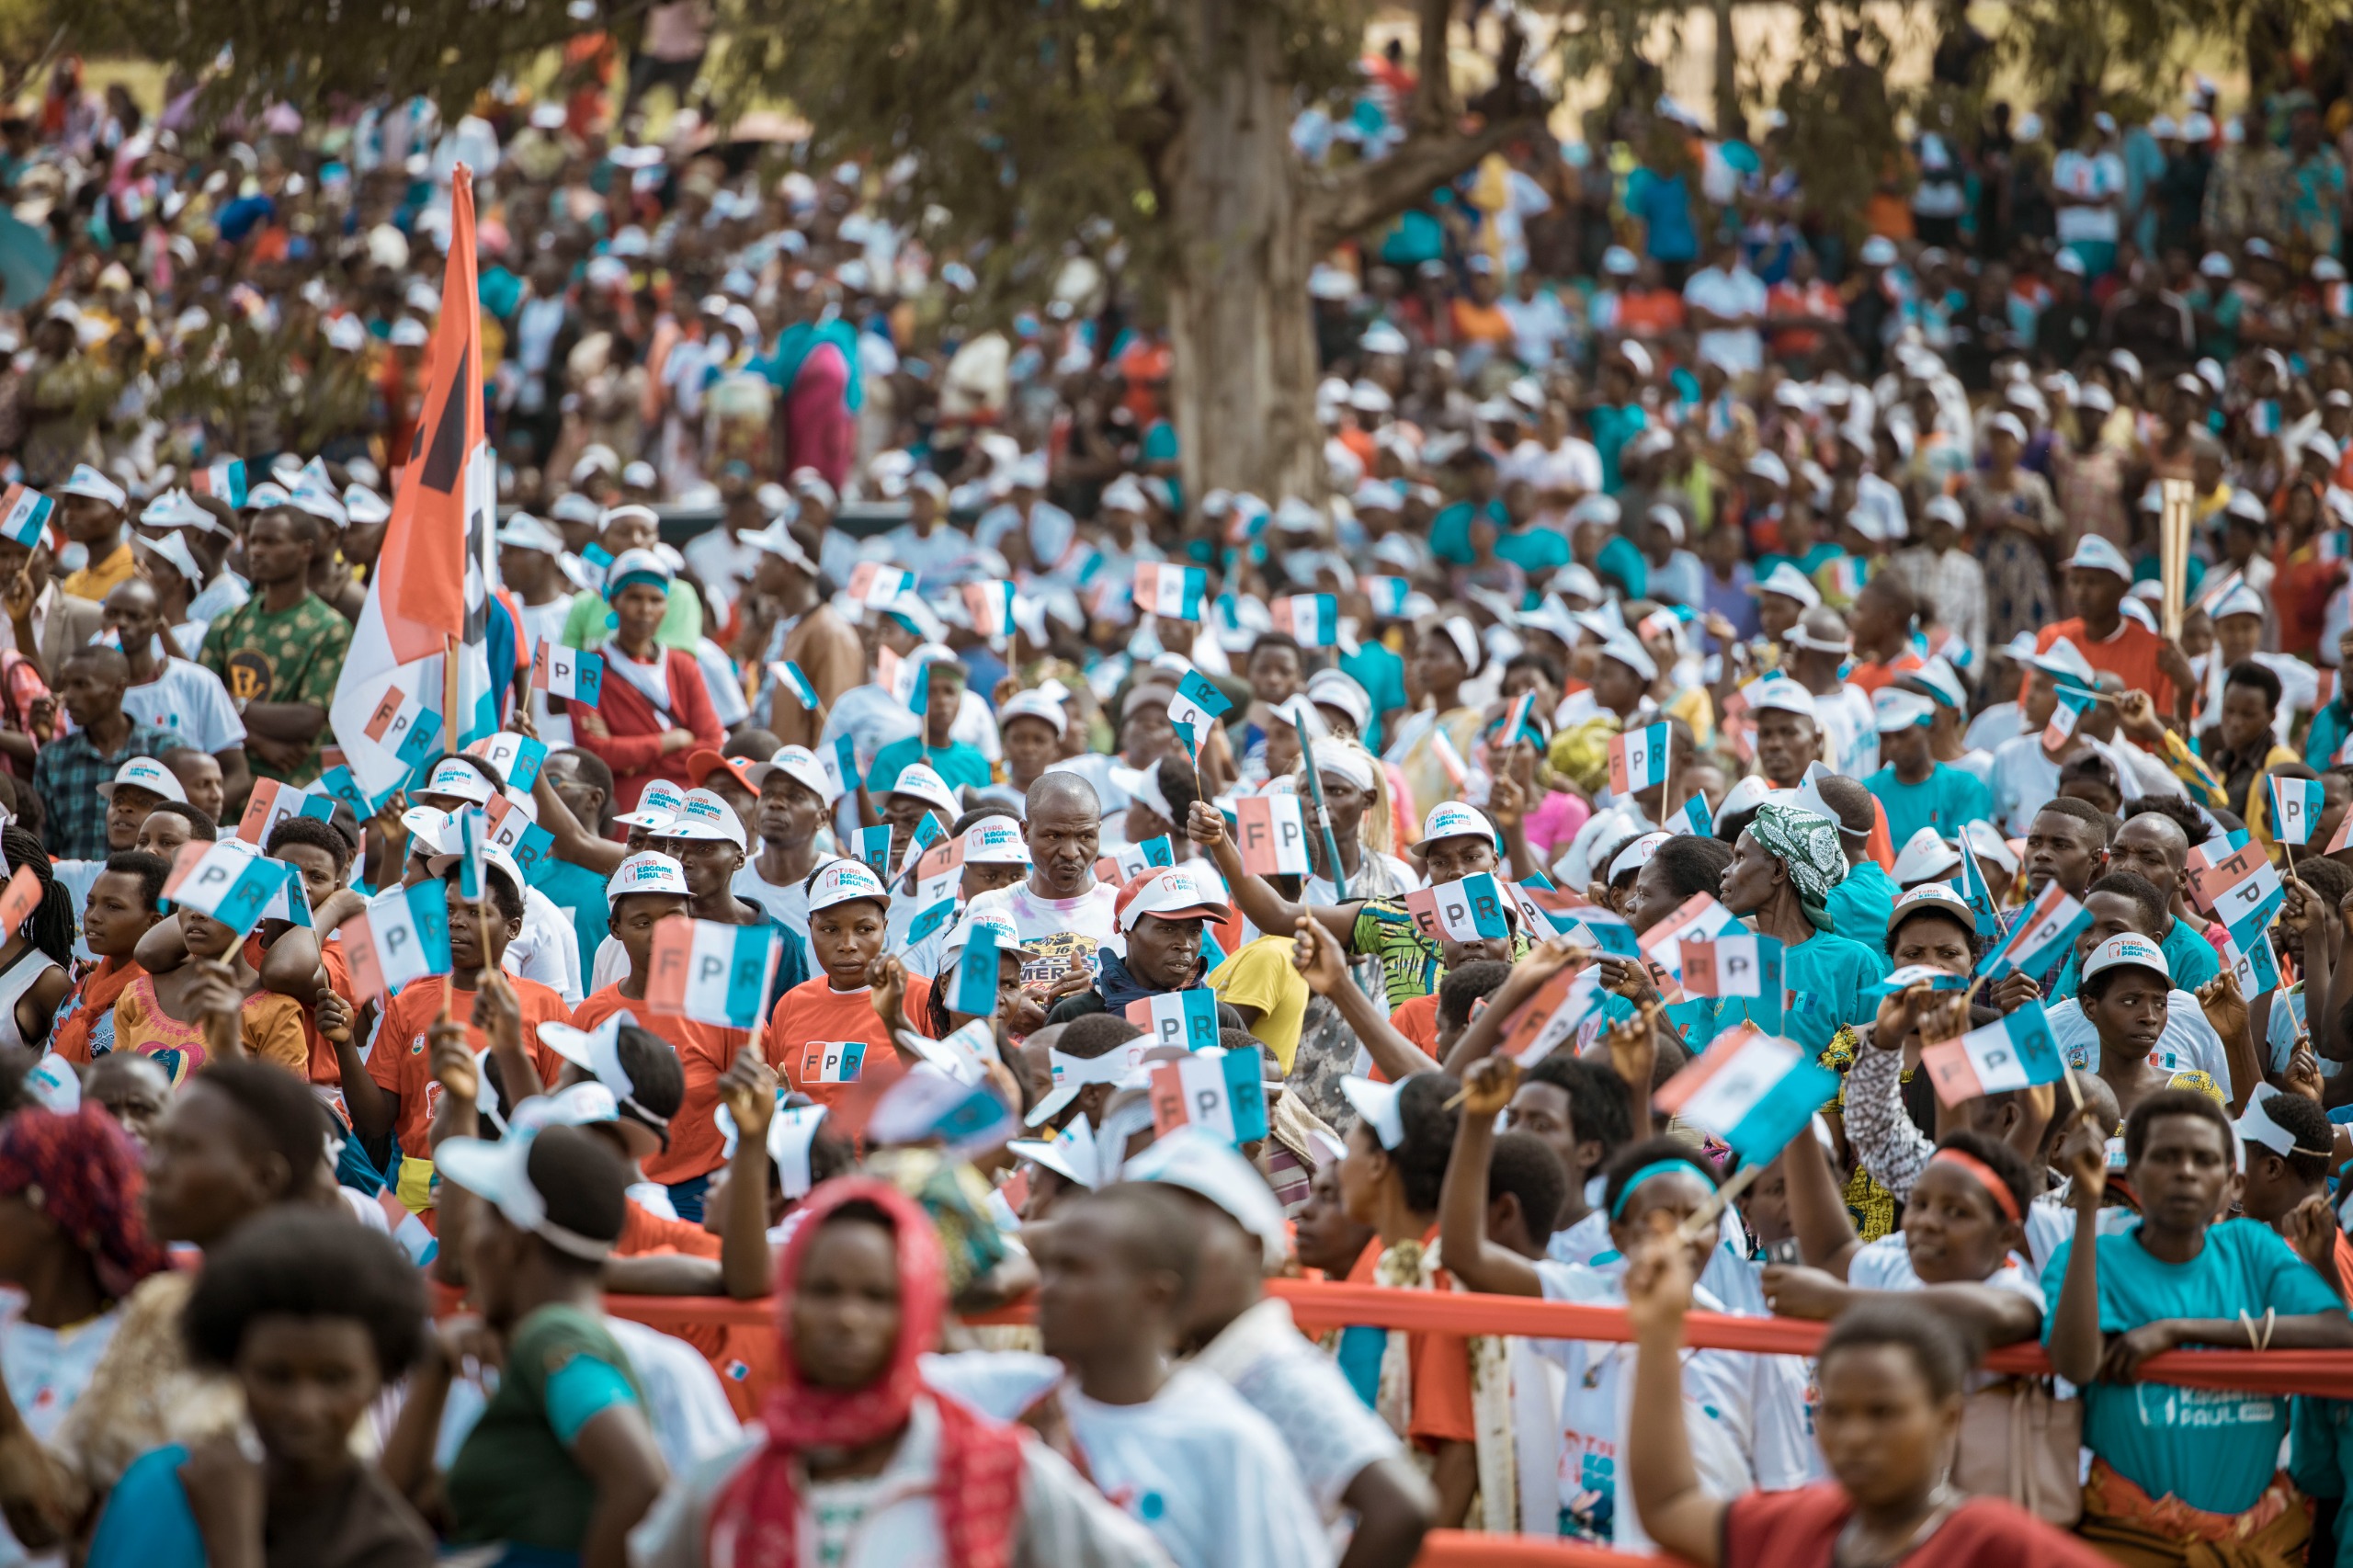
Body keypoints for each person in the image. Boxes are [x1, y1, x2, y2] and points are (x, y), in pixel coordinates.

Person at [632, 1176, 1169, 1568]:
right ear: (790, 1307)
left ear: (915, 1314)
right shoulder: (727, 1480)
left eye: (878, 1297)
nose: (847, 1317)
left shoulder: (1004, 1471)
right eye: (824, 1292)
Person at [1623, 1239, 2113, 1568]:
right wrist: (1658, 1334)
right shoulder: (1800, 1524)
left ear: (1947, 1418)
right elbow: (1669, 1506)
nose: (1855, 1436)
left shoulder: (1994, 1543)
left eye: (1883, 1413)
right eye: (1835, 1412)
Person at [2047, 1090, 2353, 1562]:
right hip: (2124, 1541)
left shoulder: (2252, 1248)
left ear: (2232, 1183)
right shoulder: (2088, 1257)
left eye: (2204, 1159)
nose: (2185, 1171)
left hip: (2259, 1543)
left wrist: (2180, 1330)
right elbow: (2076, 1362)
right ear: (2133, 1172)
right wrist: (2087, 1207)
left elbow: (2338, 1333)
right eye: (2166, 1157)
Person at [1125, 1128, 1438, 1568]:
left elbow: (1399, 1508)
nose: (1172, 1263)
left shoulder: (1275, 1374)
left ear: (1251, 1248)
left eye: (1190, 1241)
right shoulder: (1200, 1364)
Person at [85, 1209, 435, 1568]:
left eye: (335, 1379)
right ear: (232, 1366)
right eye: (276, 1376)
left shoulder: (389, 1547)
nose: (304, 1407)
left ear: (381, 1377)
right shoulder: (162, 1490)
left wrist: (233, 1549)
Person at [384, 1124, 668, 1565]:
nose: (468, 1242)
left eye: (481, 1218)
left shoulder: (552, 1336)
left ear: (513, 1243)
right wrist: (437, 1364)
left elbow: (639, 1481)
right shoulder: (541, 1341)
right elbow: (395, 1505)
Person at [1033, 1181, 1336, 1568]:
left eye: (1074, 1270)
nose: (1047, 1290)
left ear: (1156, 1296)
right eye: (1048, 1268)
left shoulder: (1228, 1441)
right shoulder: (1016, 1400)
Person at [194, 506, 351, 787]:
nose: (256, 551)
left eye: (271, 542)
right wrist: (261, 742)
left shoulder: (330, 629)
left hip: (294, 790)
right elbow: (201, 706)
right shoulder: (228, 622)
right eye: (253, 541)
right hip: (226, 788)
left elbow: (308, 719)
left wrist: (231, 704)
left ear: (305, 551)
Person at [574, 547, 726, 812]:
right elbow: (595, 752)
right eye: (634, 598)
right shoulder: (587, 669)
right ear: (613, 600)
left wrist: (631, 759)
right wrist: (670, 740)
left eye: (656, 600)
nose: (645, 609)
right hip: (623, 812)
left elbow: (711, 745)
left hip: (683, 807)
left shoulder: (683, 666)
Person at [29, 648, 180, 862]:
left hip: (148, 885)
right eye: (66, 685)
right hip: (75, 890)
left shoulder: (163, 749)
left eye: (81, 685)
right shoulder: (53, 758)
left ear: (118, 688)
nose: (68, 696)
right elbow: (44, 844)